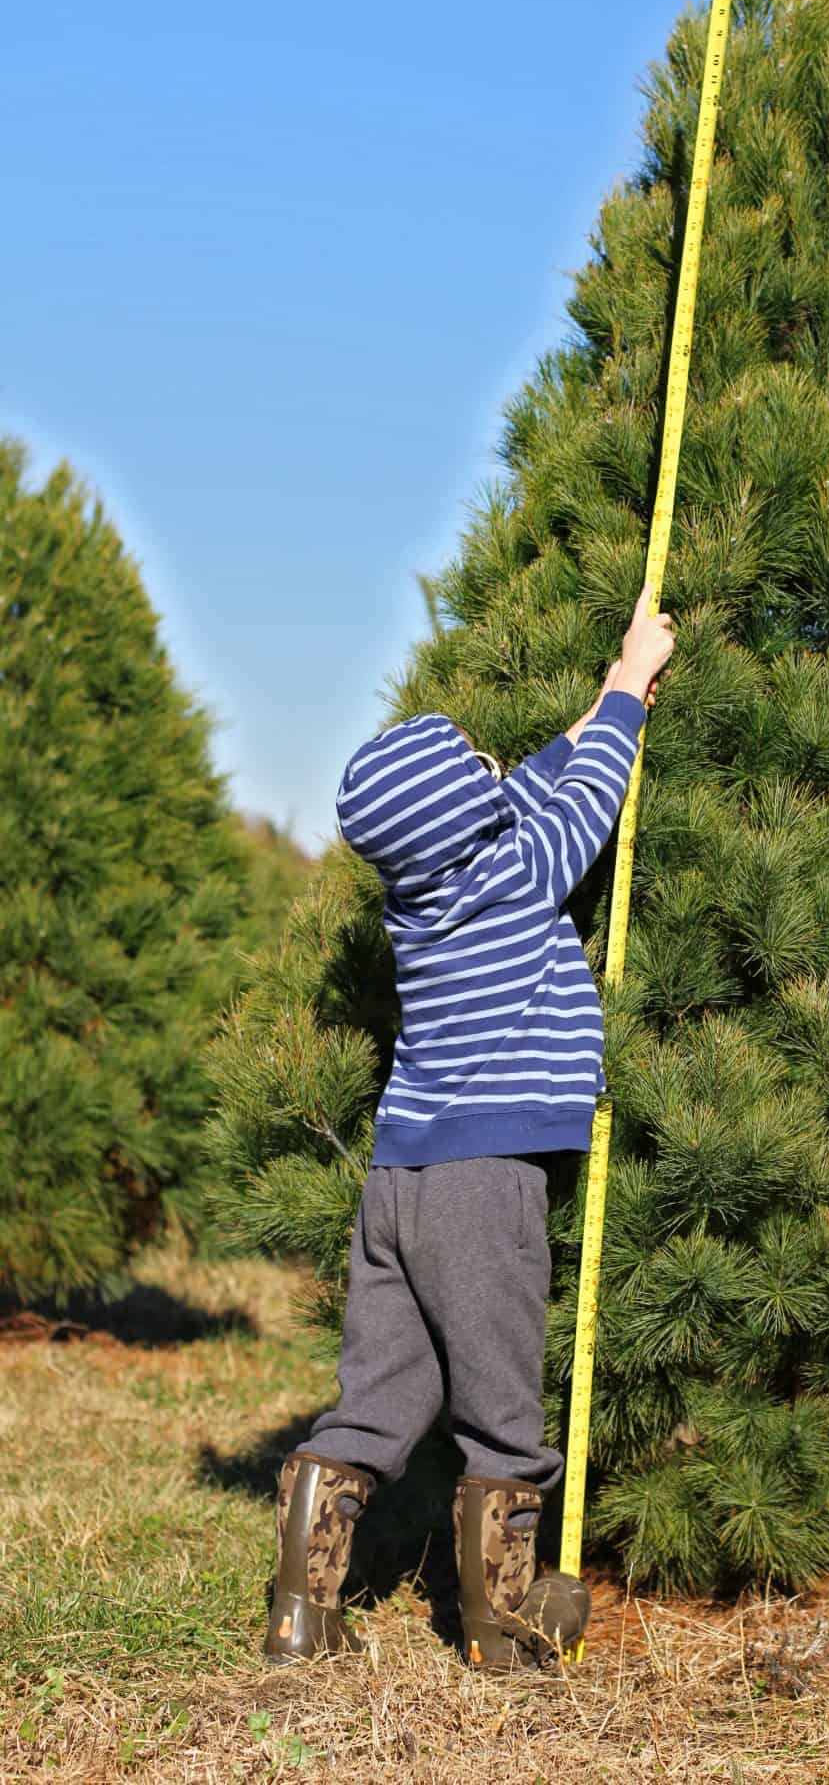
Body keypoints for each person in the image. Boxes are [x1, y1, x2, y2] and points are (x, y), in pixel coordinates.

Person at [264, 581, 675, 1671]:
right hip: (481, 1184)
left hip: (397, 1177)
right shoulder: (522, 872)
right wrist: (630, 685)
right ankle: (505, 1622)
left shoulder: (420, 900)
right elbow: (580, 802)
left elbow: (530, 790)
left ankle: (301, 1613)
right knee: (501, 1405)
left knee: (379, 1396)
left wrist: (583, 707)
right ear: (473, 818)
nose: (502, 777)